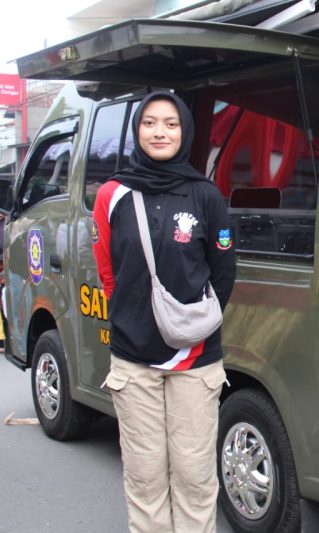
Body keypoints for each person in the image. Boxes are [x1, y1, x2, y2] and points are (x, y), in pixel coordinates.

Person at [92, 91, 237, 533]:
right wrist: (137, 317)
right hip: (133, 359)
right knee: (145, 477)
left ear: (185, 132)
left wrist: (191, 325)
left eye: (171, 124)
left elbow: (223, 273)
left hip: (195, 360)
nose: (160, 132)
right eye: (150, 123)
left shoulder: (205, 196)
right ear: (137, 130)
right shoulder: (111, 194)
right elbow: (109, 273)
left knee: (194, 477)